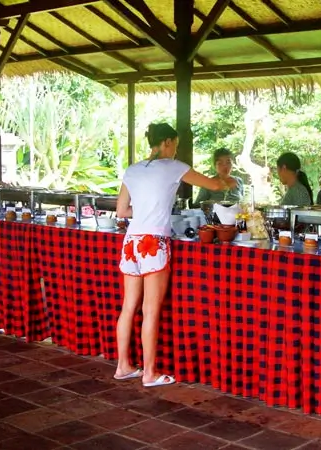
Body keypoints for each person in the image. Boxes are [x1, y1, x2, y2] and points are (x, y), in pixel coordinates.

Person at [114, 122, 236, 388]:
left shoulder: (132, 170)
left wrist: (147, 210)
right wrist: (229, 180)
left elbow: (121, 211)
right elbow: (214, 185)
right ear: (168, 142)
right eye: (176, 145)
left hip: (131, 242)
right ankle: (149, 373)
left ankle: (123, 366)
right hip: (154, 242)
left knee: (129, 306)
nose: (175, 150)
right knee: (150, 310)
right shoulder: (173, 166)